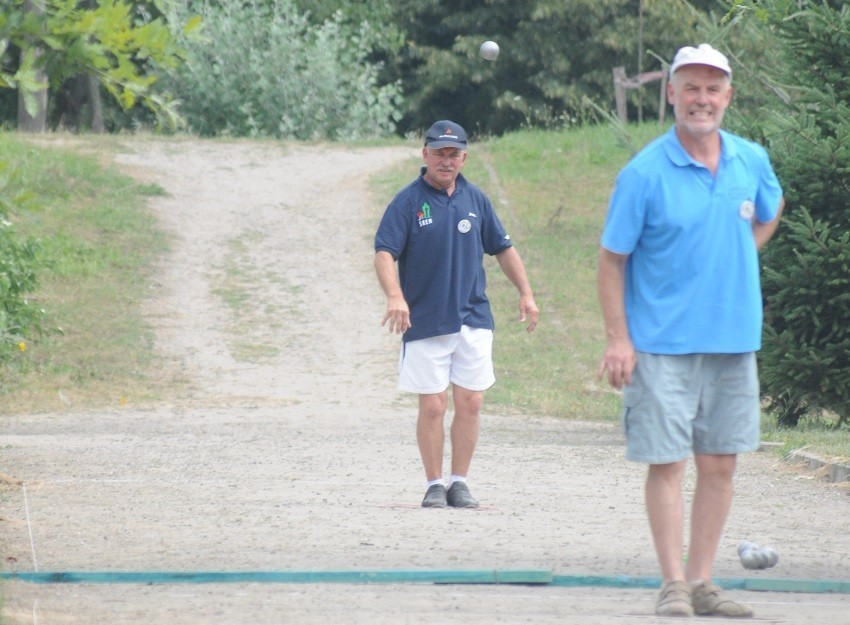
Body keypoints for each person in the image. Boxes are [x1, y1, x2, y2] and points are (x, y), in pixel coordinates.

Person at [596, 44, 784, 618]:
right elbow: (611, 261)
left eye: (713, 88)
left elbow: (771, 209)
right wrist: (619, 339)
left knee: (721, 464)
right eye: (691, 87)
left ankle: (703, 583)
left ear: (728, 97)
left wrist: (740, 254)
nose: (702, 98)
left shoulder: (750, 159)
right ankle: (673, 582)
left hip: (733, 340)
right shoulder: (644, 173)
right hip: (662, 345)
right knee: (668, 463)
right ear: (671, 93)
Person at [374, 119, 539, 509]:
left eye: (454, 154)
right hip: (426, 319)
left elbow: (502, 249)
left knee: (472, 402)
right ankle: (434, 483)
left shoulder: (475, 200)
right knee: (433, 405)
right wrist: (395, 296)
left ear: (463, 157)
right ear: (425, 154)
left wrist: (526, 293)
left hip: (472, 316)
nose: (446, 161)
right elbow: (384, 254)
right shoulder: (408, 202)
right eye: (439, 153)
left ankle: (459, 482)